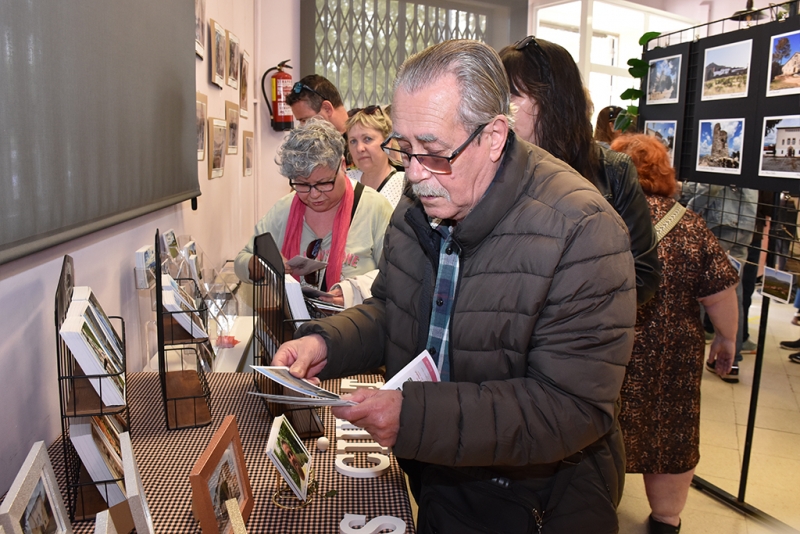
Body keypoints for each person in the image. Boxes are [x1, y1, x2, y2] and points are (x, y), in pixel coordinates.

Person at [274, 39, 637, 533]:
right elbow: (391, 309)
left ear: (493, 136)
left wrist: (414, 418)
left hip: (540, 503)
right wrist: (325, 341)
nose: (417, 173)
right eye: (404, 148)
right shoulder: (423, 197)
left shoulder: (583, 229)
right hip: (441, 474)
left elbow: (570, 407)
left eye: (436, 153)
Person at [611, 134, 739, 534]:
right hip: (673, 358)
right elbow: (720, 293)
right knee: (671, 436)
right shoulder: (690, 224)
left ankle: (596, 507)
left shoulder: (602, 217)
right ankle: (666, 520)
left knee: (602, 433)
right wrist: (727, 339)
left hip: (611, 351)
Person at [499, 37, 660, 306]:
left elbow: (643, 274)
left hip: (576, 334)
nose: (500, 109)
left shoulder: (612, 171)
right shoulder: (494, 165)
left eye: (511, 95)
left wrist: (559, 309)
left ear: (550, 100)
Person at [233, 119, 393, 307]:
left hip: (356, 328)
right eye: (302, 185)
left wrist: (354, 292)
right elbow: (241, 261)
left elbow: (394, 273)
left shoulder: (374, 208)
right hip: (296, 327)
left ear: (342, 166)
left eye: (324, 183)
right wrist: (261, 265)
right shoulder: (285, 209)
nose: (314, 195)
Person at [681, 182, 757, 381]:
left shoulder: (725, 153)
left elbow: (711, 184)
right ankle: (731, 361)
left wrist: (688, 211)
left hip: (720, 222)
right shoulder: (751, 156)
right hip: (745, 223)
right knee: (732, 290)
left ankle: (688, 357)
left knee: (704, 288)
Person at [344, 106, 406, 208]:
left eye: (367, 139)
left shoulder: (404, 185)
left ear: (387, 142)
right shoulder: (346, 181)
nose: (359, 148)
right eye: (353, 141)